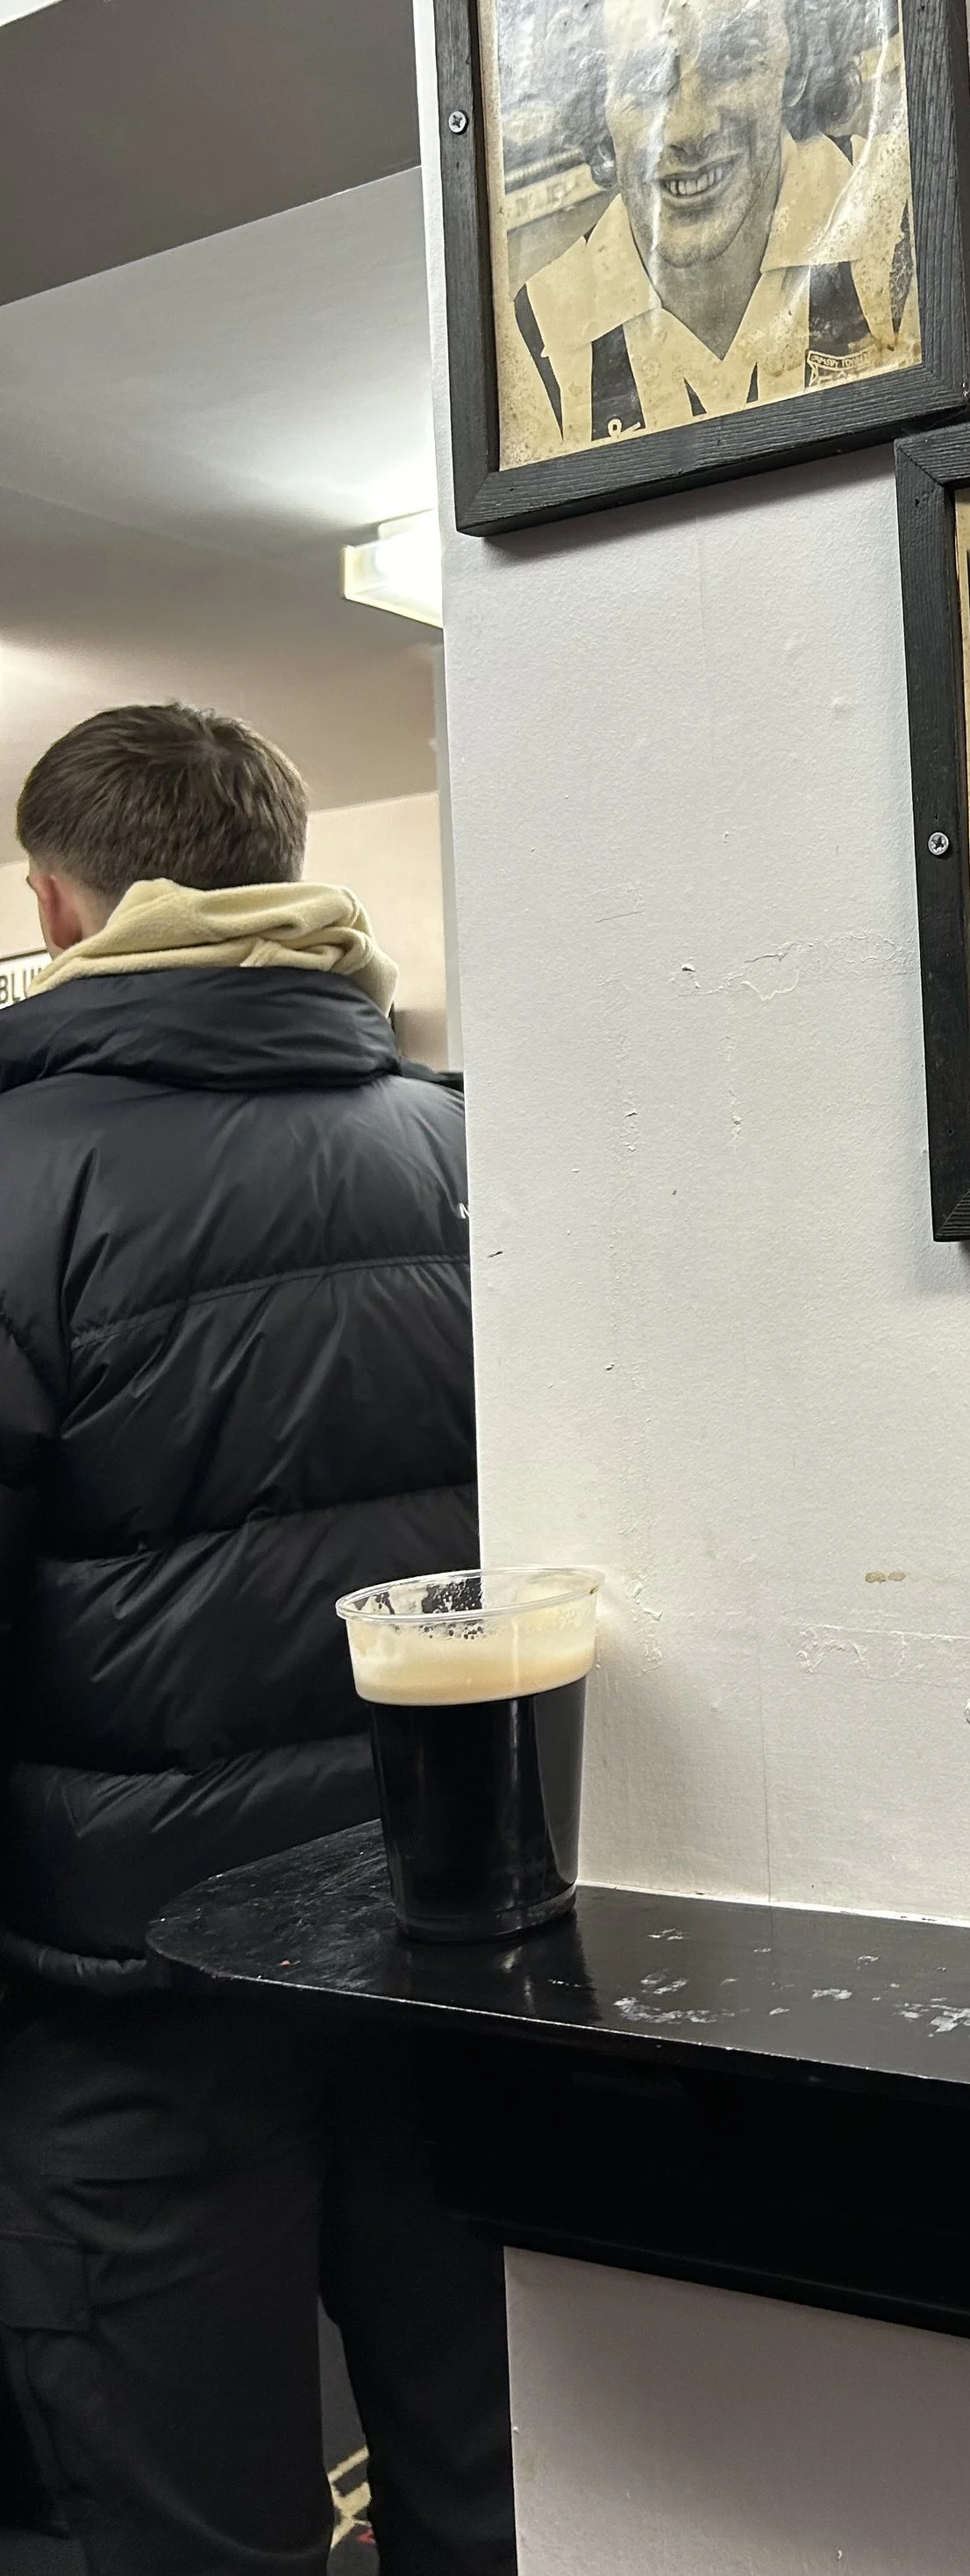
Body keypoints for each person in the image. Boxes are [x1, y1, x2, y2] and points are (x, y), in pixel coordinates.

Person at [0, 704, 511, 2573]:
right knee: (501, 2496)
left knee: (196, 2531)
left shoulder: (15, 1180)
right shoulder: (469, 1147)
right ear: (284, 873)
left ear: (58, 904)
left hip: (130, 2005)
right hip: (444, 1960)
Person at [510, 0, 917, 447]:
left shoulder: (902, 227)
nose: (687, 128)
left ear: (795, 65)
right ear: (599, 109)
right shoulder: (532, 341)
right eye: (648, 81)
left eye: (731, 62)